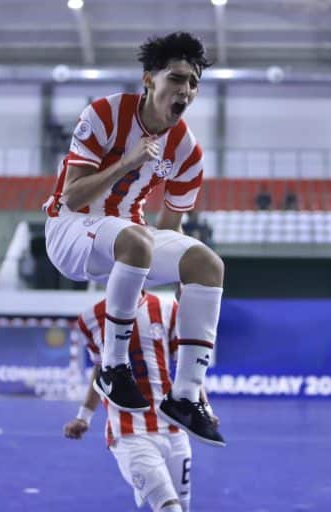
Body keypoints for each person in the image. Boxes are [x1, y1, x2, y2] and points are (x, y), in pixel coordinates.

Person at [42, 32, 224, 445]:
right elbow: (72, 194)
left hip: (127, 237)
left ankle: (186, 395)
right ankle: (113, 367)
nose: (187, 90)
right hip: (70, 227)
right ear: (149, 80)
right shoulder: (105, 114)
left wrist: (186, 292)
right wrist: (129, 161)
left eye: (194, 83)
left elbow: (172, 230)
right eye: (177, 79)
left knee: (207, 264)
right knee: (137, 240)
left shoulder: (188, 152)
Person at [64, 291, 221, 512]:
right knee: (169, 508)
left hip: (174, 429)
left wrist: (203, 409)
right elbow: (101, 369)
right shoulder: (91, 318)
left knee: (183, 507)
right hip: (128, 433)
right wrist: (84, 417)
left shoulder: (167, 308)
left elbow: (188, 368)